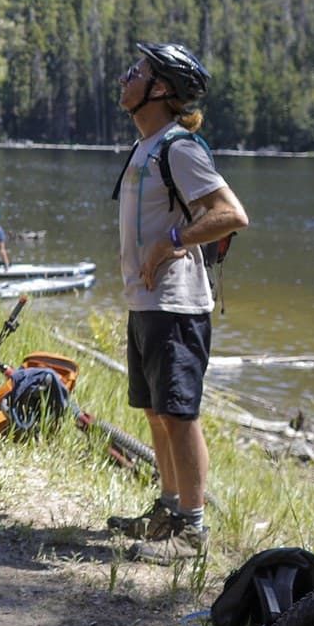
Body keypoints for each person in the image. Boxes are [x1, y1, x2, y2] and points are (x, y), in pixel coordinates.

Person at [105, 42, 249, 565]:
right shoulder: (147, 145)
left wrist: (173, 240)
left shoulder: (179, 147)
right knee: (155, 411)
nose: (125, 77)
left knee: (180, 414)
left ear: (161, 89)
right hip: (145, 303)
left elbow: (231, 214)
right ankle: (168, 509)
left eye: (136, 72)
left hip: (177, 305)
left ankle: (192, 529)